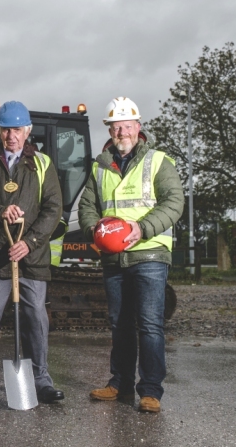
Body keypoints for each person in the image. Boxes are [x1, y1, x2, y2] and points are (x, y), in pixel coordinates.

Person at [78, 97, 183, 413]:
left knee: (150, 323)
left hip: (149, 254)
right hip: (113, 259)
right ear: (109, 131)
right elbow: (87, 207)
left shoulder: (158, 161)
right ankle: (120, 383)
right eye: (116, 127)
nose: (122, 131)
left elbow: (174, 202)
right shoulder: (99, 167)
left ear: (138, 127)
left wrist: (144, 228)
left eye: (127, 125)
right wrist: (93, 230)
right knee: (119, 323)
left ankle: (150, 390)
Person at [0, 101, 65, 405]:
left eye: (17, 129)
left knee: (35, 317)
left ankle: (41, 380)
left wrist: (29, 242)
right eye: (6, 129)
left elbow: (53, 208)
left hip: (30, 258)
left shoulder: (43, 164)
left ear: (27, 131)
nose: (11, 136)